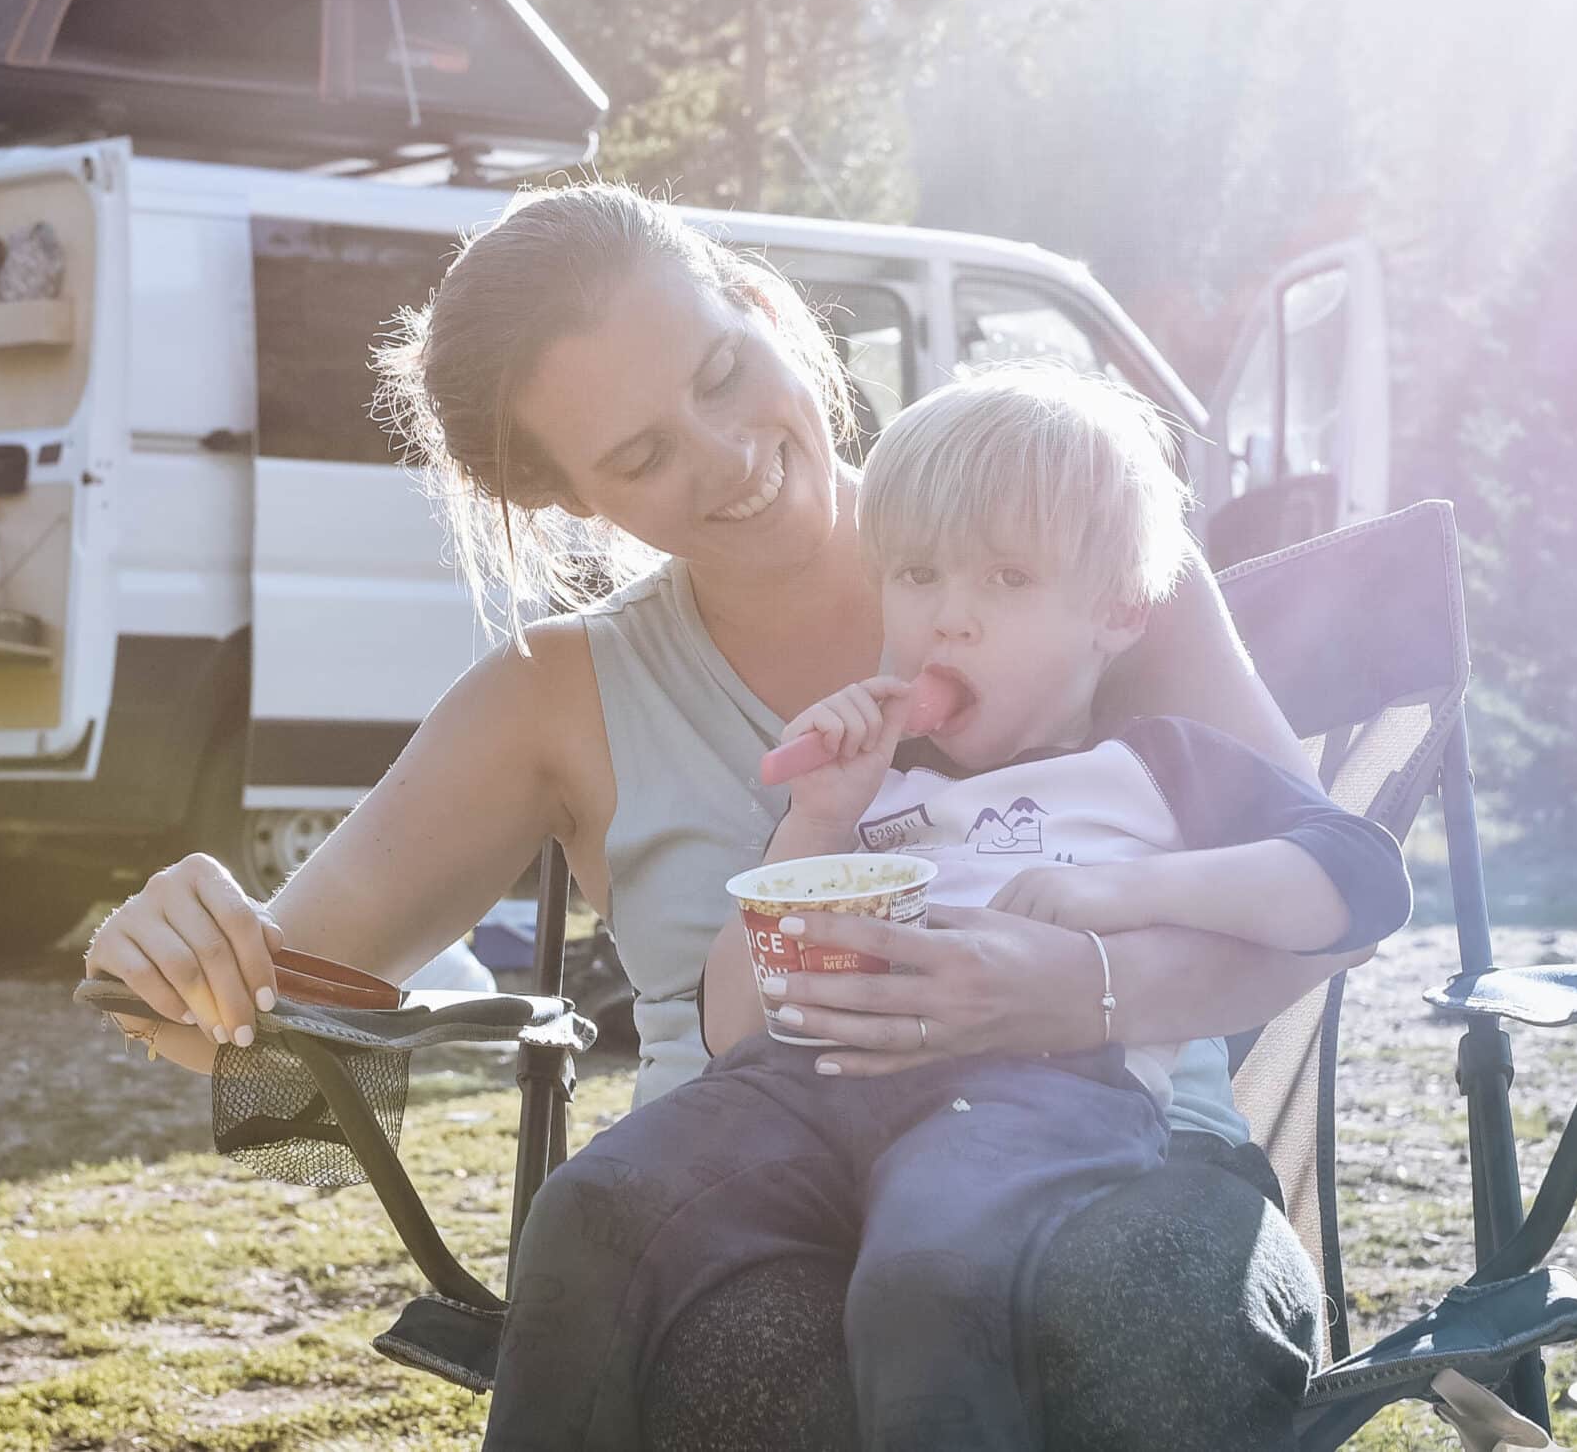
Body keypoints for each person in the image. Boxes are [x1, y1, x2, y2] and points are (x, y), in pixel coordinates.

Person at [85, 182, 1363, 1449]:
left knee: (1140, 1313)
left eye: (719, 370)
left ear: (760, 307)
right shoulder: (554, 697)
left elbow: (1332, 907)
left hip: (1121, 1155)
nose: (728, 455)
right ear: (569, 500)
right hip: (746, 1192)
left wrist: (1072, 993)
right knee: (759, 1366)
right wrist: (173, 956)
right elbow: (272, 1026)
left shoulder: (1064, 540)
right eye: (640, 456)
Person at [480, 366, 1411, 1449]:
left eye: (1007, 579)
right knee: (589, 1211)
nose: (948, 621)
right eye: (917, 575)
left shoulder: (1155, 768)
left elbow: (1355, 877)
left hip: (1037, 1097)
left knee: (929, 1275)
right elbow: (733, 1026)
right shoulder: (867, 780)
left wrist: (1120, 891)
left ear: (1117, 611)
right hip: (805, 1093)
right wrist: (816, 822)